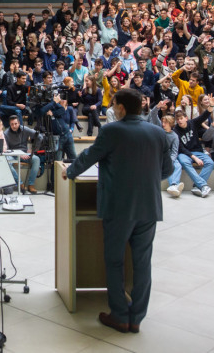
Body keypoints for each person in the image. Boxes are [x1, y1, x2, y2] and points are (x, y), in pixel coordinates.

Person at [62, 88, 173, 334]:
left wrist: (69, 171)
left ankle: (120, 315)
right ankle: (137, 318)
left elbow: (90, 156)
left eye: (113, 104)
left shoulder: (112, 130)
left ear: (121, 107)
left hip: (118, 207)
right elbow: (167, 170)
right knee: (142, 263)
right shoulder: (158, 132)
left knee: (114, 261)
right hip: (149, 206)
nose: (112, 108)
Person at [3, 114, 41, 194]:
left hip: (25, 153)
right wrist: (19, 154)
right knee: (6, 161)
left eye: (15, 124)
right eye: (12, 124)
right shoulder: (6, 133)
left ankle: (31, 184)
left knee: (36, 159)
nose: (14, 126)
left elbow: (39, 136)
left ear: (19, 123)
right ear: (9, 124)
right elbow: (6, 150)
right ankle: (20, 184)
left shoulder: (25, 129)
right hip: (13, 155)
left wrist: (33, 150)